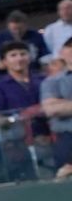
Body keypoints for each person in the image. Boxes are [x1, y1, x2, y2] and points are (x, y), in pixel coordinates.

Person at [41, 36, 72, 179]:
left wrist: (65, 104)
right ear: (62, 52)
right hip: (68, 139)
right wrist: (60, 106)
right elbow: (52, 109)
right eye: (70, 47)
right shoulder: (52, 81)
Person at [0, 10, 50, 75]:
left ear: (26, 25)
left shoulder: (36, 36)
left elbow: (45, 58)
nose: (17, 32)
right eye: (14, 29)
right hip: (5, 75)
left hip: (34, 73)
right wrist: (14, 66)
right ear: (8, 26)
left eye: (20, 29)